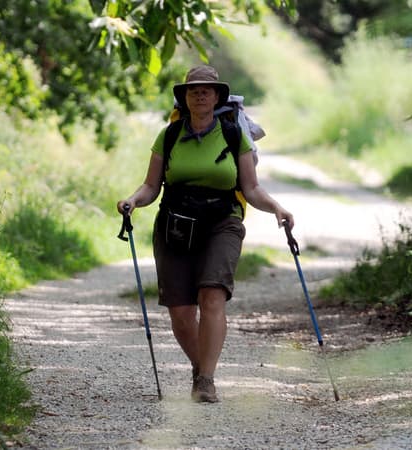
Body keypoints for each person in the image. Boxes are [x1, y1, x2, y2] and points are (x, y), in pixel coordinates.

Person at [117, 65, 294, 403]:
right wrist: (133, 201)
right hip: (175, 223)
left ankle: (206, 380)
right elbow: (152, 186)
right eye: (193, 89)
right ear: (184, 97)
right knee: (181, 312)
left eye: (207, 90)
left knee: (212, 295)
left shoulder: (232, 135)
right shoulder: (168, 135)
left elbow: (252, 189)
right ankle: (200, 367)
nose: (200, 94)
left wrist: (278, 209)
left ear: (217, 97)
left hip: (222, 222)